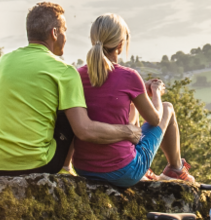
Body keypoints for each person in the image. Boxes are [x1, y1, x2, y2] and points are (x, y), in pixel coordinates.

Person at [0, 1, 142, 176]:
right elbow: (84, 130)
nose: (66, 37)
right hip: (34, 165)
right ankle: (65, 168)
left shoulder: (4, 61)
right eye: (64, 31)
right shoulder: (64, 71)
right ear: (54, 33)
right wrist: (128, 132)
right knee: (72, 112)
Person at [72, 13, 196, 188]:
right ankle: (176, 168)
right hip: (124, 172)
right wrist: (156, 92)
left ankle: (160, 169)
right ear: (121, 45)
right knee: (167, 108)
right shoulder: (129, 76)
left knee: (132, 108)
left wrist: (136, 95)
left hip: (84, 168)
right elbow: (155, 119)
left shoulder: (77, 75)